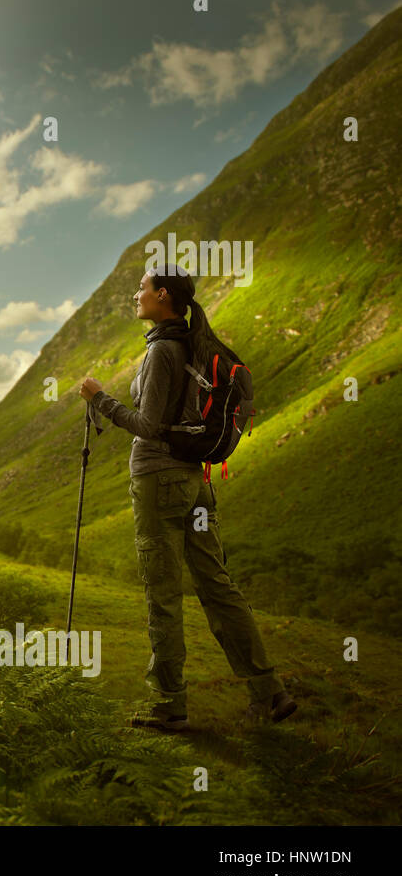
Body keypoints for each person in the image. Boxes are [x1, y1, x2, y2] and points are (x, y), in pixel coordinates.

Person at [78, 264, 296, 731]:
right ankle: (269, 692)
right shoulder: (192, 346)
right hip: (195, 484)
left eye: (142, 289)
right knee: (217, 587)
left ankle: (169, 705)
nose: (136, 295)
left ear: (162, 296)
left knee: (163, 595)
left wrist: (100, 400)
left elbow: (150, 426)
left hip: (159, 482)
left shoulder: (162, 352)